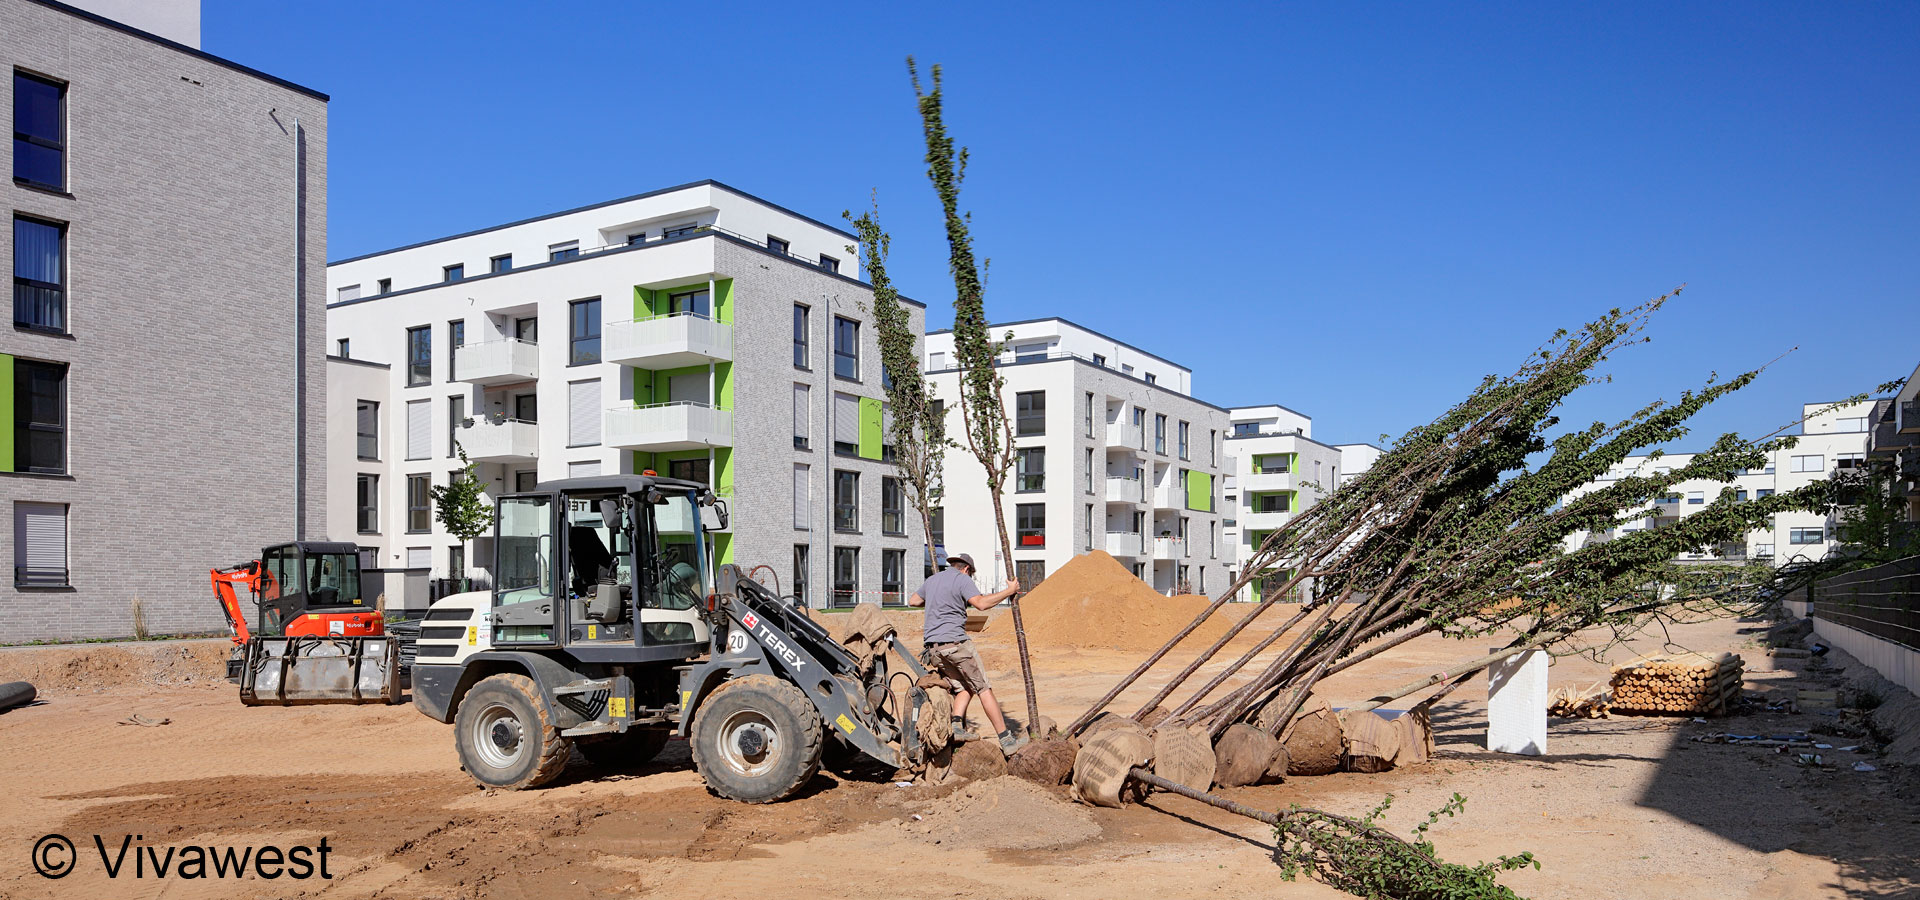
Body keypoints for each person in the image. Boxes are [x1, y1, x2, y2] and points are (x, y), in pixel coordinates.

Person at [909, 553, 1025, 754]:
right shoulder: (962, 579)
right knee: (983, 688)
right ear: (966, 569)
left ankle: (956, 727)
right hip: (956, 644)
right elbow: (981, 603)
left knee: (964, 687)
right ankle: (1007, 741)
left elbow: (913, 600)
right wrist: (1009, 590)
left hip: (934, 649)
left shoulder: (932, 579)